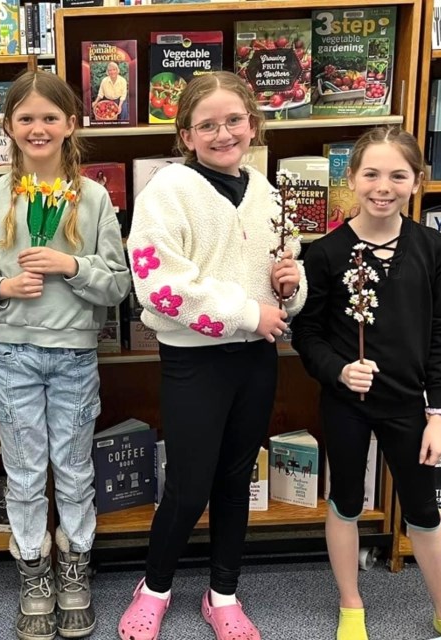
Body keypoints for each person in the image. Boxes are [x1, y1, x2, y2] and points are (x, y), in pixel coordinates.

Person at [120, 71, 306, 640]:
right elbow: (159, 286)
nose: (222, 133)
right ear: (186, 134)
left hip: (255, 360)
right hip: (196, 361)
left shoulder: (268, 191)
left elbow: (290, 275)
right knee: (189, 483)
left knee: (234, 477)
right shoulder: (168, 191)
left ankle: (222, 592)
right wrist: (251, 314)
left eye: (234, 121)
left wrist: (289, 290)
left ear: (253, 124)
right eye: (207, 125)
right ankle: (154, 586)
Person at [0, 70, 131, 640]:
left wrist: (72, 267)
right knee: (26, 471)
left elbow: (118, 285)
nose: (38, 128)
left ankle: (75, 565)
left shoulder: (93, 196)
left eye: (50, 117)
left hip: (76, 357)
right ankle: (33, 570)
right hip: (13, 355)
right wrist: (3, 289)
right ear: (7, 126)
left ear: (71, 125)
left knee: (75, 469)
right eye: (26, 118)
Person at [291, 126, 441, 640]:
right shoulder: (325, 253)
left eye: (398, 175)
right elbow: (308, 334)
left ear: (417, 180)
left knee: (423, 510)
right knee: (346, 498)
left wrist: (438, 415)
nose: (383, 186)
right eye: (371, 173)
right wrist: (339, 370)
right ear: (352, 178)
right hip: (346, 403)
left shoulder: (433, 248)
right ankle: (351, 603)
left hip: (409, 406)